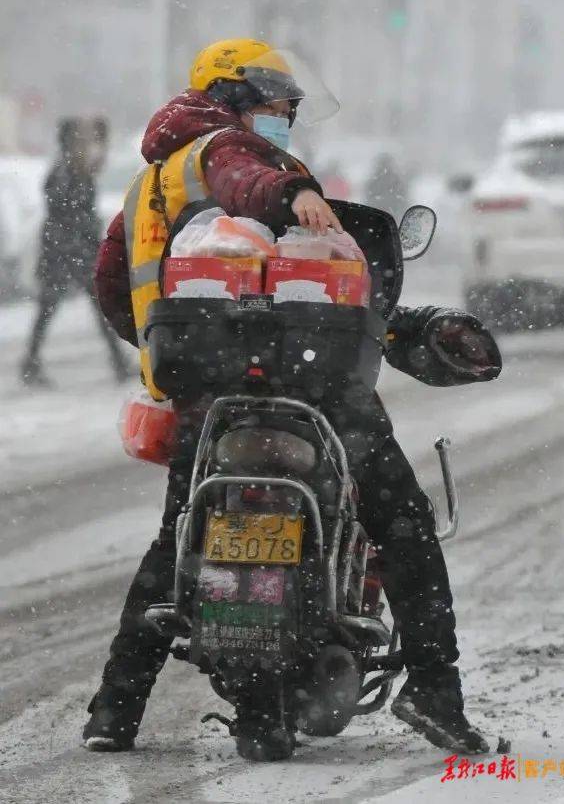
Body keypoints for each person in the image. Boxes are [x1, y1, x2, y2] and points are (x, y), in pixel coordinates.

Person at [85, 38, 501, 754]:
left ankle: (114, 712)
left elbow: (113, 289)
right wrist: (295, 193)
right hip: (299, 380)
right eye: (280, 108)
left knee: (175, 544)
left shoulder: (150, 180)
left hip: (202, 391)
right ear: (235, 96)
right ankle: (435, 689)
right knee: (401, 519)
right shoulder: (224, 147)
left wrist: (181, 346)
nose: (284, 122)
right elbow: (249, 182)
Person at [21, 117, 129, 386]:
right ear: (69, 141)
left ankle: (32, 363)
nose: (84, 142)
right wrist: (84, 238)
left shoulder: (73, 168)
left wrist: (103, 141)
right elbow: (64, 212)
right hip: (65, 251)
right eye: (80, 138)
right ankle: (30, 363)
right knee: (53, 309)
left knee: (86, 307)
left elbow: (95, 169)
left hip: (70, 250)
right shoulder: (64, 171)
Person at [364, 153, 408, 220]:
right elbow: (403, 198)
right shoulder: (396, 179)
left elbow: (368, 197)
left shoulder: (374, 179)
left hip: (377, 213)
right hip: (392, 212)